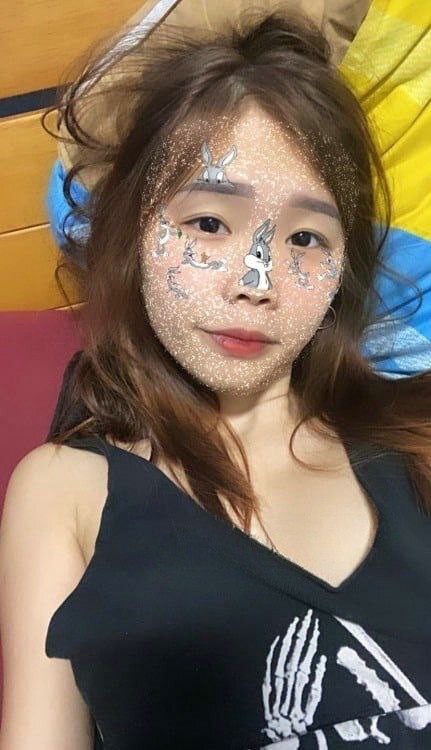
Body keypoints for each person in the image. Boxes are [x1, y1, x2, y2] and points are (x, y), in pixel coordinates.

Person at [1, 8, 431, 750]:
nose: (254, 282)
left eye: (305, 238)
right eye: (208, 224)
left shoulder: (411, 446)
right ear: (134, 233)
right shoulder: (68, 488)